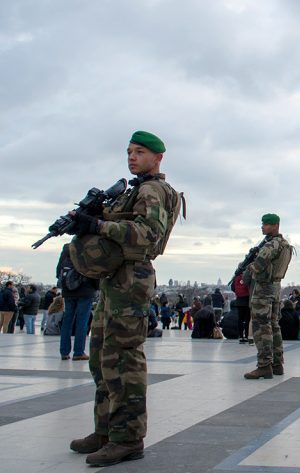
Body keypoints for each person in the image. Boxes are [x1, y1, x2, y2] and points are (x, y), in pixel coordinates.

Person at [68, 131, 181, 466]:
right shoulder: (136, 189)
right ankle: (105, 430)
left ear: (158, 157)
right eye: (129, 152)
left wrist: (98, 226)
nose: (131, 157)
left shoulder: (152, 190)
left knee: (124, 361)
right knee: (102, 358)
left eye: (140, 152)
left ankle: (128, 438)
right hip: (115, 279)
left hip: (131, 279)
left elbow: (147, 235)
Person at [243, 213, 292, 380]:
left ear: (275, 225)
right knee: (273, 325)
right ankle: (277, 364)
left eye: (266, 224)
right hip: (276, 288)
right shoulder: (285, 244)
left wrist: (247, 269)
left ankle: (264, 365)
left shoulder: (271, 245)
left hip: (264, 289)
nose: (262, 226)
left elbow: (257, 266)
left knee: (261, 327)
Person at [57, 242, 100, 360]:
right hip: (85, 290)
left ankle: (64, 352)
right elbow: (94, 271)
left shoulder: (67, 248)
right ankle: (78, 352)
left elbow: (59, 269)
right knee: (82, 321)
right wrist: (96, 287)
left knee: (67, 321)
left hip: (68, 291)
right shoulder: (90, 246)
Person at [231, 272, 251, 343]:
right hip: (247, 300)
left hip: (239, 300)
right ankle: (246, 336)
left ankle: (240, 336)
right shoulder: (248, 275)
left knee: (240, 319)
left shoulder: (236, 277)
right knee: (247, 320)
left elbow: (233, 288)